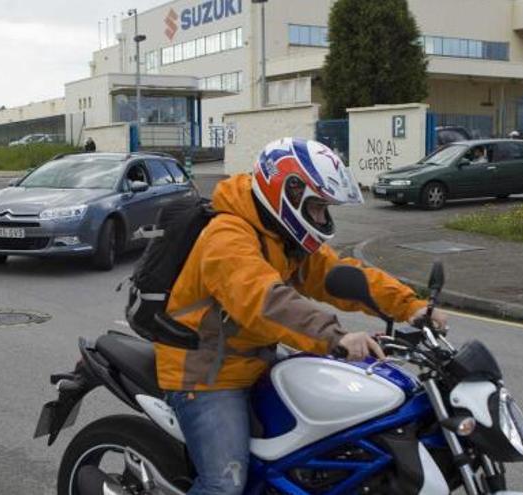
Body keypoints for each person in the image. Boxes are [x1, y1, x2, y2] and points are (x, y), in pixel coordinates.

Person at [155, 137, 447, 495]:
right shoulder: (227, 236)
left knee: (327, 447)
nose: (323, 218)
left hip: (255, 361)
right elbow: (263, 300)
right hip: (205, 375)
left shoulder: (281, 235)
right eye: (318, 208)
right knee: (224, 485)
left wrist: (409, 306)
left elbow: (338, 274)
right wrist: (335, 337)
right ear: (288, 194)